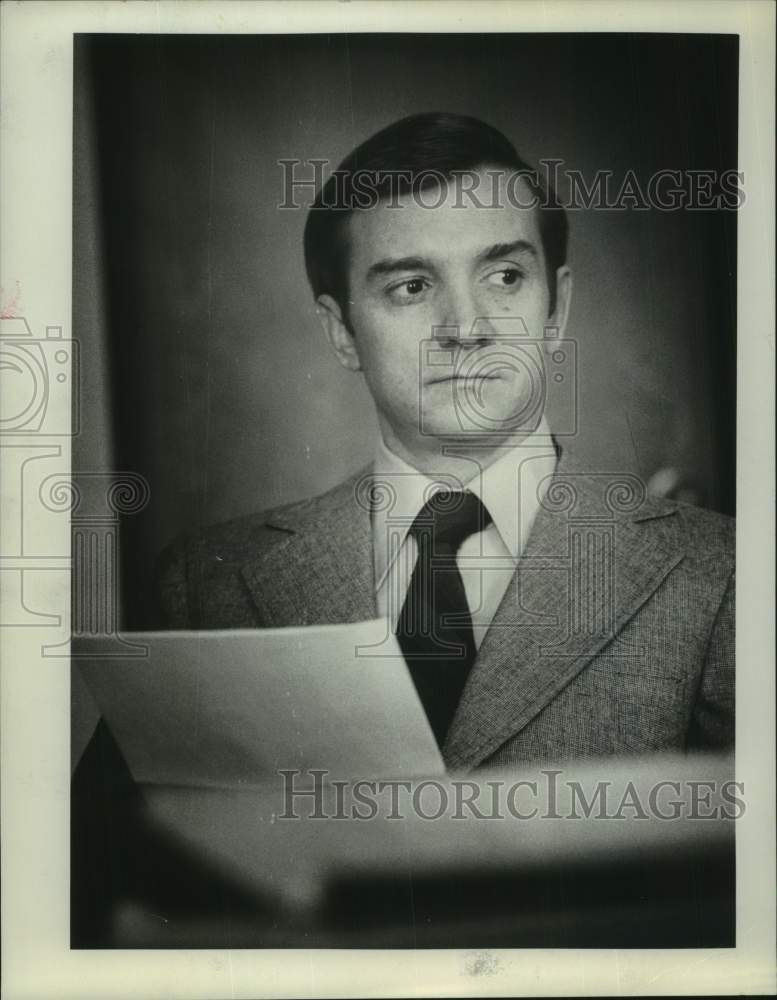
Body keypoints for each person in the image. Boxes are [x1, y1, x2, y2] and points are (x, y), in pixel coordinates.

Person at [155, 111, 734, 771]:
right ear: (341, 332)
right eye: (411, 287)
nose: (465, 328)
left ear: (556, 308)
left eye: (505, 277)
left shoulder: (724, 574)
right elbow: (117, 860)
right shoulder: (204, 585)